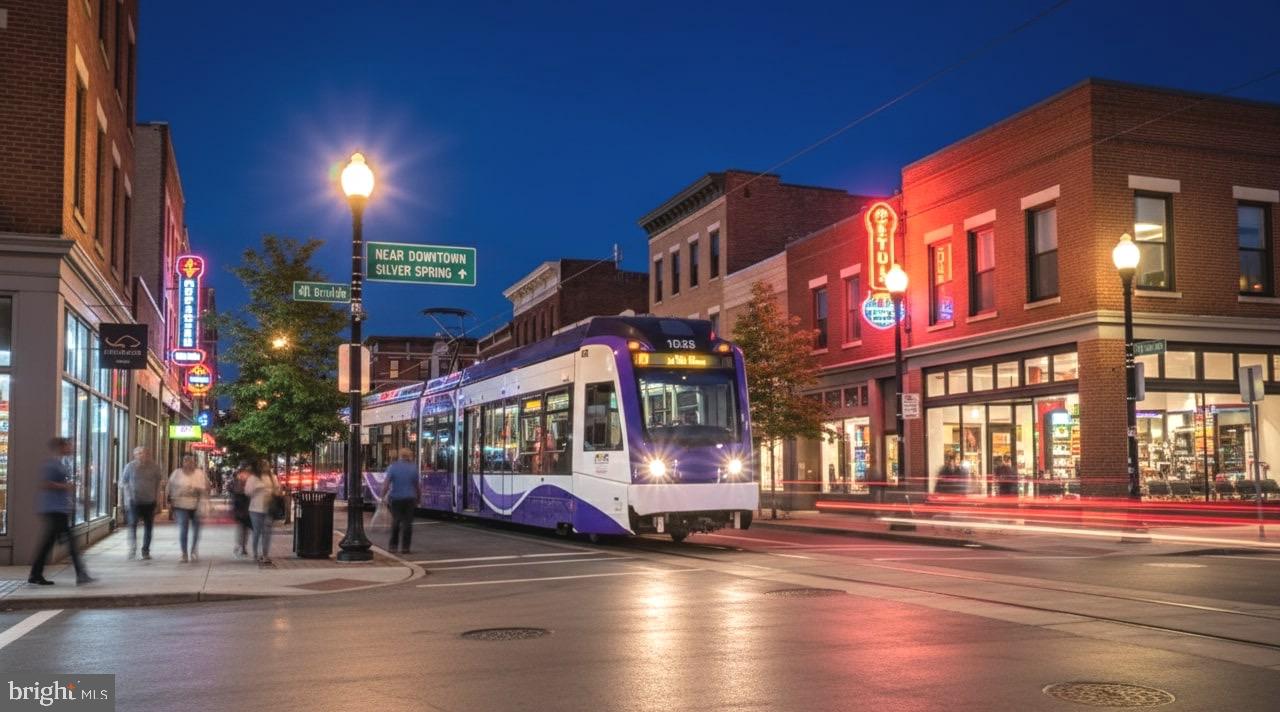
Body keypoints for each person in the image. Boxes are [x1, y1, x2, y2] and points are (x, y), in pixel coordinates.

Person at [28, 437, 94, 586]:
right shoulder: (51, 464)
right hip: (53, 509)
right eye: (68, 446)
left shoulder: (60, 463)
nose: (71, 448)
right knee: (70, 542)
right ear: (61, 447)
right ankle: (81, 573)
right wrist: (64, 486)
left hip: (58, 508)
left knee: (48, 543)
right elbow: (45, 484)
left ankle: (35, 574)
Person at [120, 446, 164, 560]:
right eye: (139, 453)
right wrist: (128, 497)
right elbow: (123, 482)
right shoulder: (130, 466)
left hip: (149, 501)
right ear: (135, 455)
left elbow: (159, 483)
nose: (142, 455)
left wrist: (158, 498)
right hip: (134, 501)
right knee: (132, 523)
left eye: (144, 453)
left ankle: (145, 550)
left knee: (148, 527)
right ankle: (133, 547)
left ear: (148, 454)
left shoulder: (154, 467)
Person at [167, 453, 209, 563]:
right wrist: (170, 502)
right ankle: (184, 553)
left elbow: (206, 488)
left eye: (190, 460)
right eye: (186, 460)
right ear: (182, 462)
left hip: (197, 504)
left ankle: (193, 550)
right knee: (183, 529)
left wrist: (201, 495)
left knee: (196, 529)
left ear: (194, 462)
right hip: (181, 505)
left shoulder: (199, 474)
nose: (188, 463)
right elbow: (169, 487)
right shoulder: (177, 473)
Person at [383, 448, 421, 555]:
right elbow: (417, 486)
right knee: (408, 523)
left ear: (400, 455)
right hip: (410, 498)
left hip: (396, 498)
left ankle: (393, 546)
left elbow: (386, 484)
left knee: (396, 521)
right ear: (409, 456)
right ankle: (405, 548)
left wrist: (382, 496)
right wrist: (419, 498)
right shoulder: (413, 468)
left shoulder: (393, 467)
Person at [245, 462, 281, 565]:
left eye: (267, 464)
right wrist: (257, 488)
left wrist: (274, 491)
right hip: (255, 509)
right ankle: (255, 553)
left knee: (267, 532)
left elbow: (277, 491)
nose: (265, 466)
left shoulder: (273, 477)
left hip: (268, 508)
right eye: (263, 464)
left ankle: (265, 555)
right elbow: (247, 492)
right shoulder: (253, 478)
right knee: (257, 532)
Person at [230, 462, 254, 558]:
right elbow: (235, 490)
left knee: (245, 528)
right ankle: (240, 545)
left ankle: (242, 546)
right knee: (242, 527)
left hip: (246, 504)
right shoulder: (238, 478)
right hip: (241, 504)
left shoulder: (248, 478)